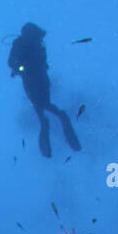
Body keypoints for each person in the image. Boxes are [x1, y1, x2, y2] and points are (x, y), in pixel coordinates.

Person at [8, 23, 81, 158]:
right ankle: (58, 119)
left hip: (34, 79)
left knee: (41, 107)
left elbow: (12, 62)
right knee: (44, 105)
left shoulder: (26, 43)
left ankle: (49, 129)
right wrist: (21, 68)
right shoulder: (33, 44)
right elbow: (14, 62)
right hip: (39, 78)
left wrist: (19, 68)